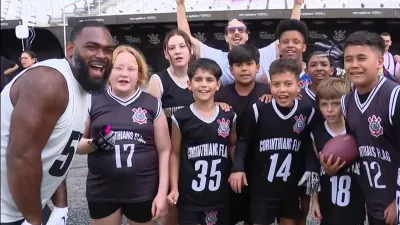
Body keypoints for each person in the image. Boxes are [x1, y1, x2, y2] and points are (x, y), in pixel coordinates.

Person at [0, 20, 114, 225]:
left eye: (108, 50)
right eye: (92, 47)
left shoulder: (82, 88)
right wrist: (34, 221)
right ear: (70, 49)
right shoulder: (49, 82)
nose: (101, 55)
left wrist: (61, 207)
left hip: (24, 205)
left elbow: (58, 152)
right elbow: (21, 158)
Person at [76, 45, 170, 225]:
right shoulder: (92, 100)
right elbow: (76, 145)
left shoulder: (152, 104)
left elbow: (165, 150)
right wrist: (94, 143)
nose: (124, 74)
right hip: (102, 190)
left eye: (131, 69)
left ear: (140, 73)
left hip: (143, 190)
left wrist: (161, 192)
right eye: (118, 67)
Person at [230, 58, 319, 225]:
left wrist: (312, 167)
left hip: (291, 188)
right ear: (270, 86)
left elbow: (309, 143)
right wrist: (238, 168)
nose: (282, 90)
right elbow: (244, 140)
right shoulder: (258, 109)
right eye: (276, 85)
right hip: (262, 188)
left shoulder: (307, 111)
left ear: (298, 86)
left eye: (288, 84)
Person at [167, 58, 237, 225]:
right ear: (189, 84)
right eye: (198, 80)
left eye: (209, 80)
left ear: (218, 85)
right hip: (190, 197)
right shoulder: (180, 117)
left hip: (220, 195)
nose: (203, 84)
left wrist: (238, 170)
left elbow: (232, 145)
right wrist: (174, 187)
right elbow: (174, 154)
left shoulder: (229, 115)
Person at [341, 31, 400, 225]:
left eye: (361, 58)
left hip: (394, 201)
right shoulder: (346, 102)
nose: (354, 65)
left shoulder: (394, 97)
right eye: (348, 59)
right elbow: (357, 148)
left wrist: (397, 200)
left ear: (380, 62)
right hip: (373, 199)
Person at [175, 0, 303, 85]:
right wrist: (180, 5)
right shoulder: (216, 57)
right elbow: (185, 37)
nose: (236, 32)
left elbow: (289, 32)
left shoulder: (264, 54)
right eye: (231, 30)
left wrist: (297, 5)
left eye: (241, 30)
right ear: (226, 37)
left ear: (247, 36)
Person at [215, 44, 269, 225]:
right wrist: (215, 106)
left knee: (254, 215)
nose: (244, 69)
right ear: (231, 69)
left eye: (249, 63)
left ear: (258, 67)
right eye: (238, 65)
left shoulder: (268, 91)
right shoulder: (220, 95)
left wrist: (273, 97)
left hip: (259, 163)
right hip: (228, 163)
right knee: (228, 213)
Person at [310, 78, 365, 225]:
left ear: (344, 103)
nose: (329, 109)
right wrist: (314, 201)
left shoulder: (356, 130)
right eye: (324, 104)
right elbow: (314, 170)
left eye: (335, 104)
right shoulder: (316, 134)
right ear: (319, 106)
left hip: (355, 203)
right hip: (328, 202)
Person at [146, 29, 195, 133]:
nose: (178, 51)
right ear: (166, 54)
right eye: (172, 48)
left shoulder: (199, 78)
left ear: (191, 50)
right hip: (169, 144)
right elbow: (150, 119)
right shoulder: (158, 80)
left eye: (182, 46)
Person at [276, 19, 311, 88]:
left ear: (304, 47)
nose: (290, 45)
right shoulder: (270, 75)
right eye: (285, 42)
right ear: (279, 47)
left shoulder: (312, 75)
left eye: (296, 42)